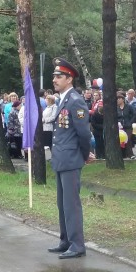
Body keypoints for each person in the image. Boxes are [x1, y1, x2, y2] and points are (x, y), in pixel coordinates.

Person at [47, 57, 94, 259]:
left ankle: (77, 245)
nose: (55, 80)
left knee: (71, 204)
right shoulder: (63, 99)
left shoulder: (75, 101)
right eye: (54, 76)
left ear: (69, 79)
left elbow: (83, 133)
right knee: (62, 203)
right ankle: (65, 240)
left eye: (59, 76)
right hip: (61, 158)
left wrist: (85, 155)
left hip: (71, 159)